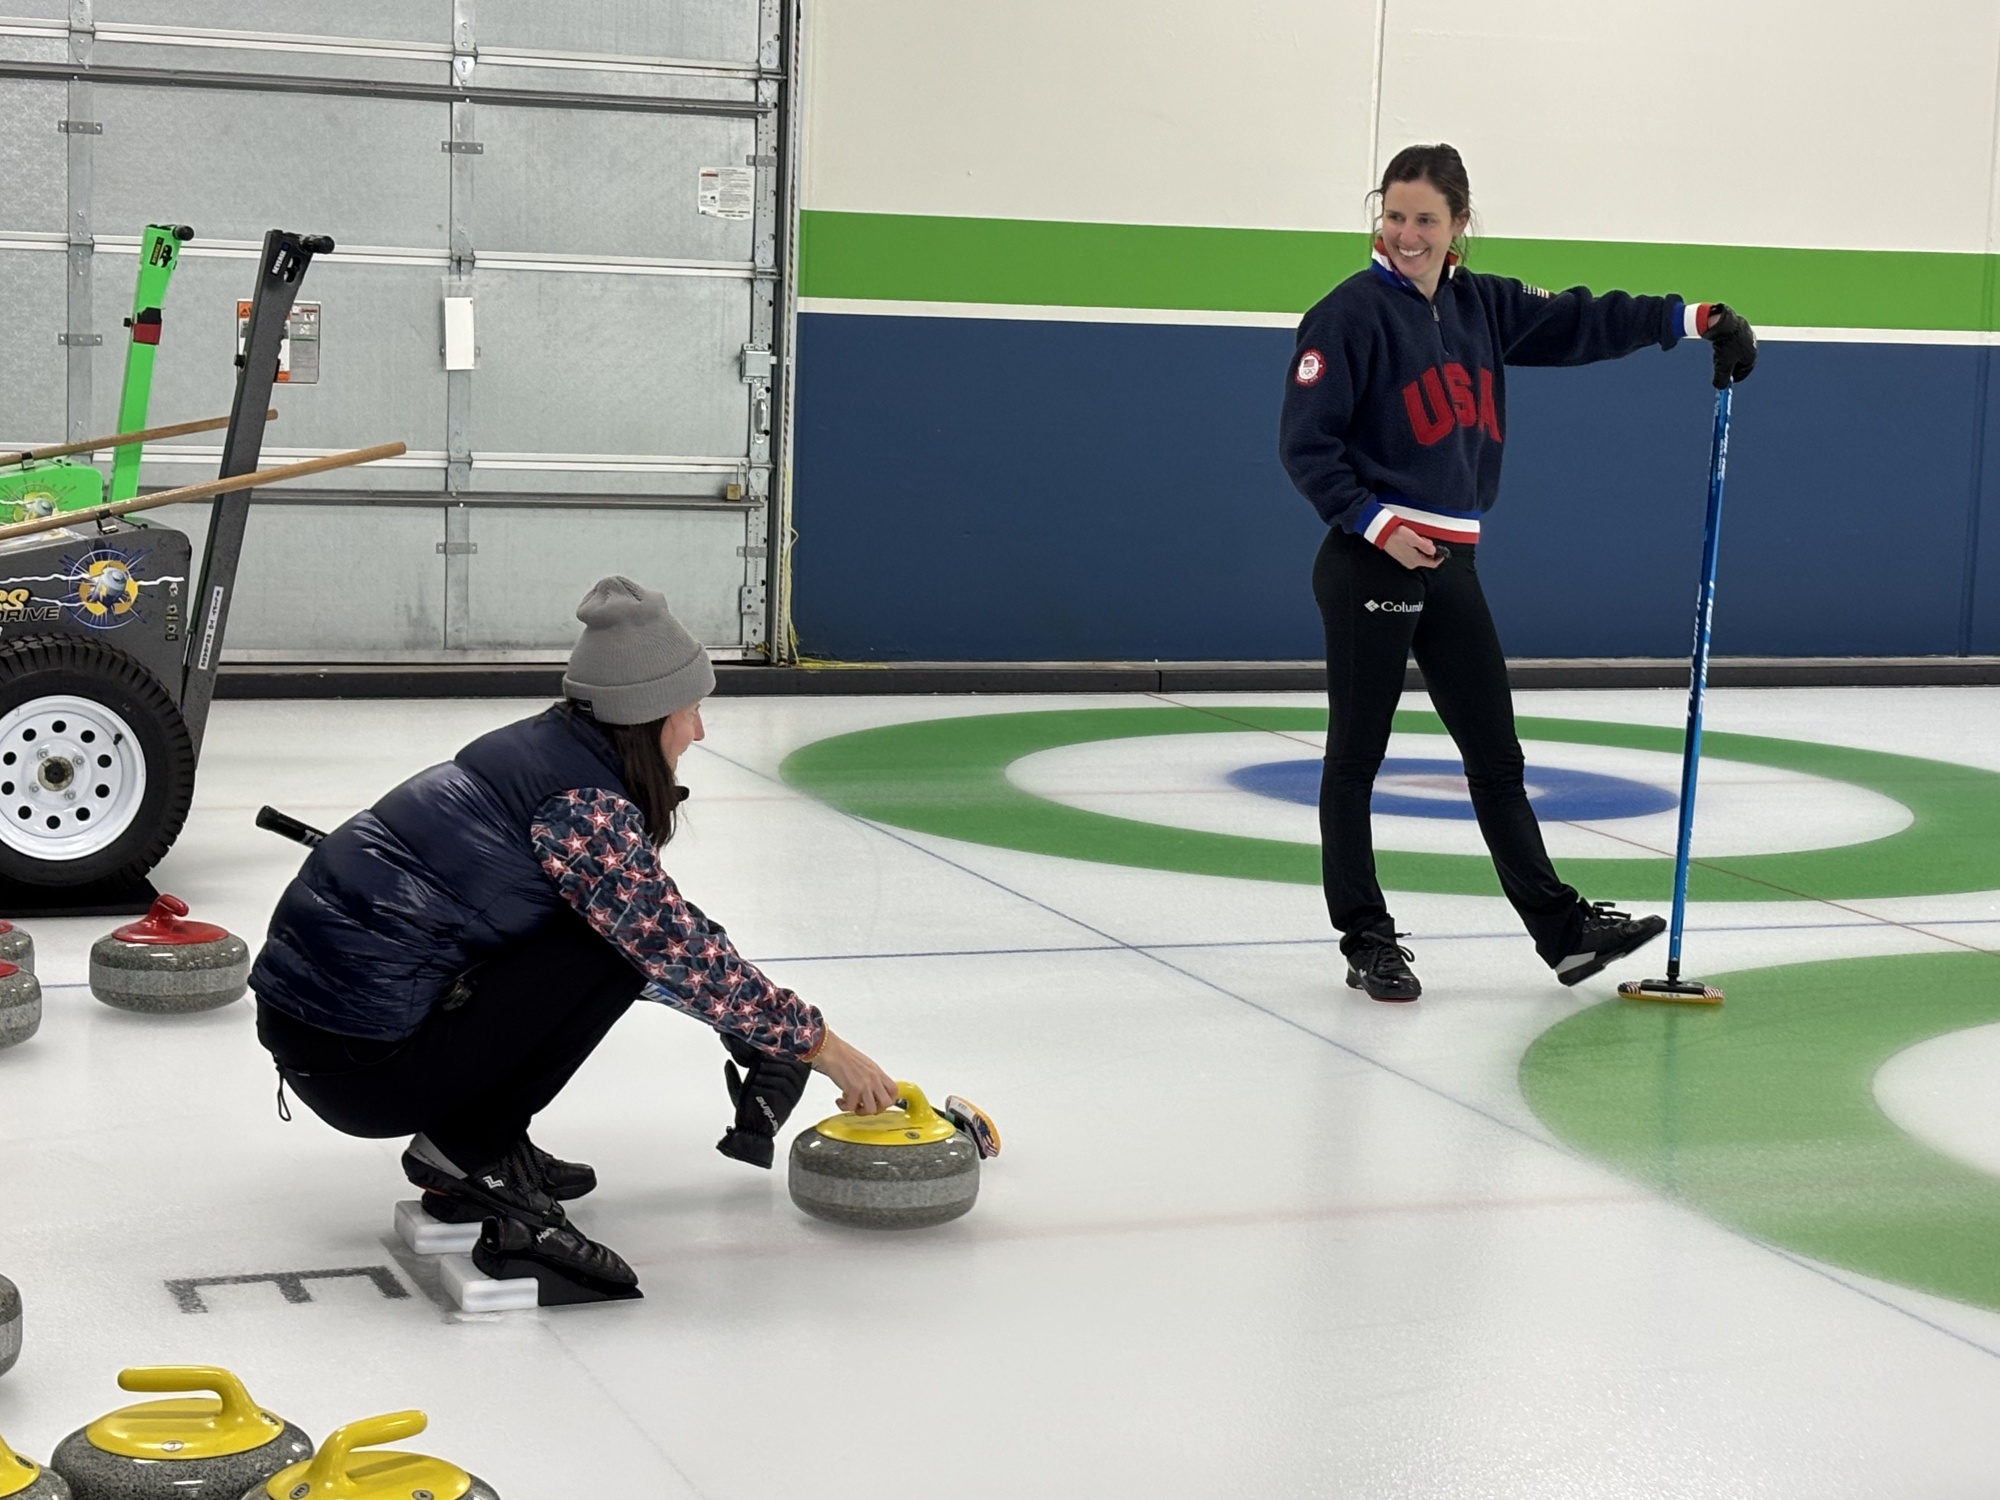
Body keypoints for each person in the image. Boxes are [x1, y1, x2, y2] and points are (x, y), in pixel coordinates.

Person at [249, 577, 898, 1297]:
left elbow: (647, 931)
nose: (699, 732)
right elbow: (663, 943)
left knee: (602, 937)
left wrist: (754, 1034)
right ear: (646, 716)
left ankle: (482, 1139)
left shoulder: (543, 751)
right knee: (610, 947)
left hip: (328, 1038)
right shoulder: (581, 805)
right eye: (691, 711)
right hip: (361, 1066)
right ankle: (472, 1151)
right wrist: (819, 1045)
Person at [1278, 143, 1757, 1003]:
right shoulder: (1346, 315)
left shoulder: (1483, 305)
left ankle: (1562, 931)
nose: (1406, 234)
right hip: (1369, 560)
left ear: (1460, 224)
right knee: (1357, 758)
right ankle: (1368, 939)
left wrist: (1695, 319)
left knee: (1497, 760)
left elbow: (1584, 320)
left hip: (1452, 561)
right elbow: (1307, 444)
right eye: (1393, 215)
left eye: (1426, 219)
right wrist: (1378, 526)